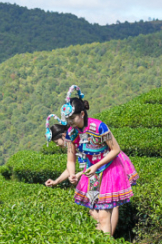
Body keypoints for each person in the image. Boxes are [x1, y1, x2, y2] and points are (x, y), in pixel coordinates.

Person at [44, 86, 138, 236]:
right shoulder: (71, 133)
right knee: (96, 213)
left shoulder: (99, 127)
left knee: (104, 214)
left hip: (109, 169)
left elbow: (115, 149)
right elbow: (71, 159)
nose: (70, 122)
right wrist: (72, 174)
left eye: (72, 118)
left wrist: (96, 166)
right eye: (68, 119)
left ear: (82, 114)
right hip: (92, 174)